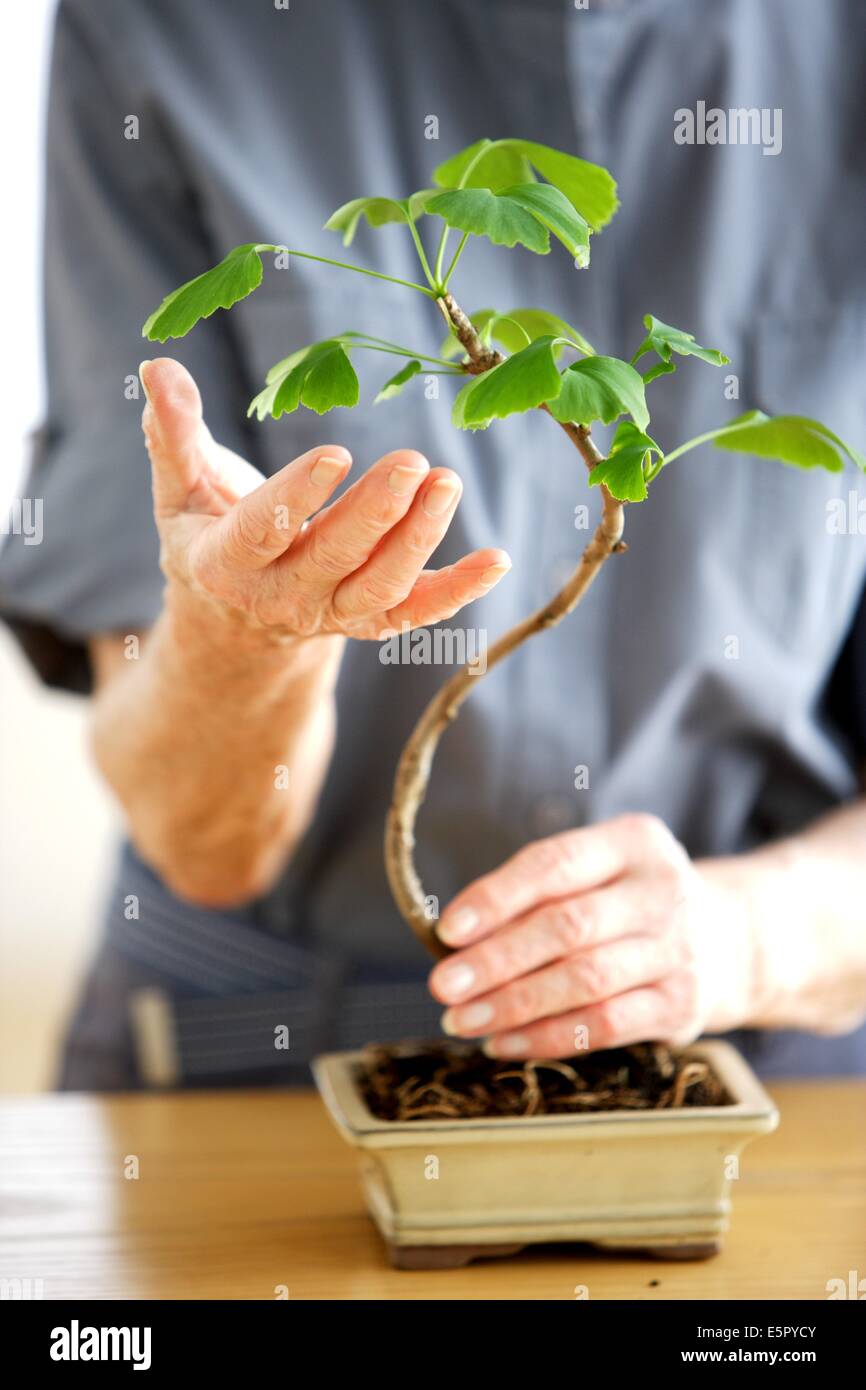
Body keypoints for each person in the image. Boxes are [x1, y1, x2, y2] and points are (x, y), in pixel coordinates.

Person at [2, 0, 865, 1090]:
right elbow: (199, 843)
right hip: (268, 1050)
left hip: (751, 1054)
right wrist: (240, 637)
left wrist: (748, 937)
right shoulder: (163, 24)